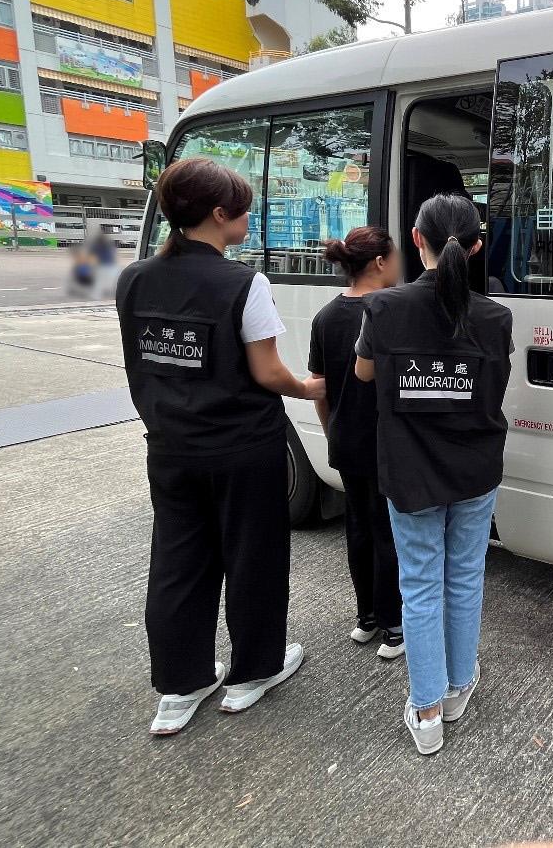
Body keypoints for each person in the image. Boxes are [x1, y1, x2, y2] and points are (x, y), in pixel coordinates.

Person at [115, 157, 324, 736]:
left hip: (171, 447)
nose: (247, 221)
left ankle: (180, 687)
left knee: (179, 562)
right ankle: (253, 672)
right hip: (242, 448)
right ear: (218, 215)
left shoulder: (134, 278)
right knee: (252, 556)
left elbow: (144, 362)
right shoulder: (243, 283)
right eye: (242, 212)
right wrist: (307, 387)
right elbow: (268, 373)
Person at [353, 193, 513, 756]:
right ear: (475, 247)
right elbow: (494, 388)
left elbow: (365, 373)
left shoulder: (384, 309)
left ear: (415, 240)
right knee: (465, 576)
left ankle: (425, 713)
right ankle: (457, 687)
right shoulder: (496, 317)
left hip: (411, 471)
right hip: (475, 468)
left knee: (419, 583)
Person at [308, 226, 404, 660]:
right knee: (389, 532)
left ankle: (366, 618)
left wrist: (333, 431)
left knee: (358, 528)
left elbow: (319, 388)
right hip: (384, 441)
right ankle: (394, 626)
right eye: (396, 254)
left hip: (345, 439)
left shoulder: (326, 316)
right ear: (380, 262)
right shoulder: (389, 311)